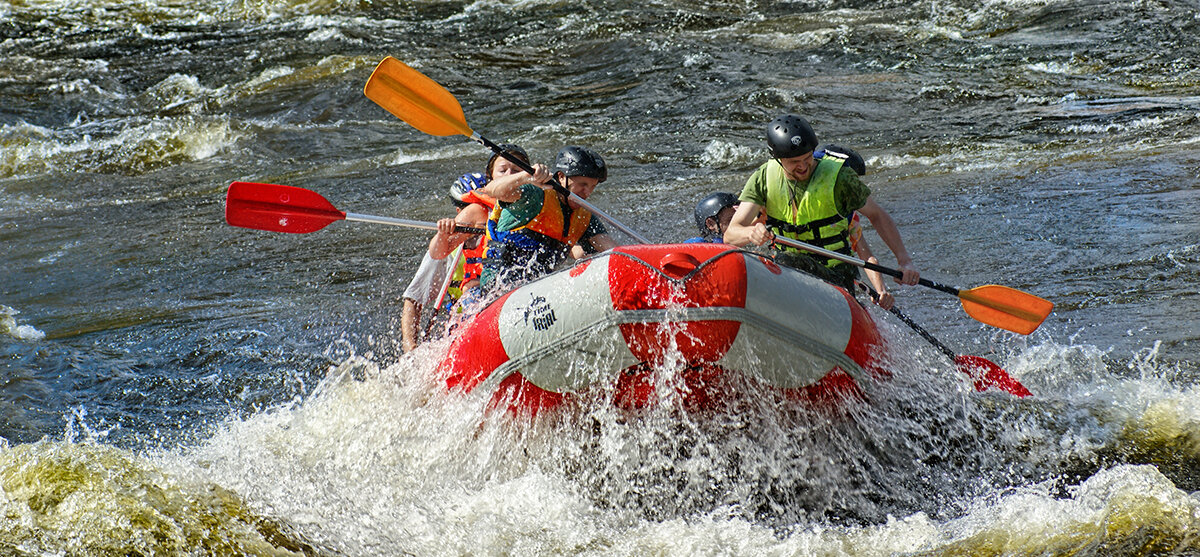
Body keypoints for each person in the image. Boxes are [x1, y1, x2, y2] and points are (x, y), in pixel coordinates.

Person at [724, 114, 919, 292]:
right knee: (784, 262)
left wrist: (904, 261)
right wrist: (751, 232)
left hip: (834, 275)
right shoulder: (762, 178)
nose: (802, 166)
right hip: (786, 270)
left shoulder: (840, 177)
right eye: (794, 162)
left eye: (807, 158)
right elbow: (731, 234)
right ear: (778, 159)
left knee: (795, 264)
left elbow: (877, 215)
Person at [479, 145, 617, 291]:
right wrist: (526, 176)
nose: (587, 192)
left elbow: (611, 249)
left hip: (539, 289)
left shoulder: (585, 217)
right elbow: (492, 190)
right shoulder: (536, 195)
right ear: (562, 177)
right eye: (582, 184)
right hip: (497, 287)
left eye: (592, 186)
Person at [401, 178, 478, 352]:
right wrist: (410, 347)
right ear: (460, 211)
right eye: (472, 207)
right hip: (465, 320)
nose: (481, 212)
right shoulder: (444, 250)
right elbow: (414, 299)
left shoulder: (501, 234)